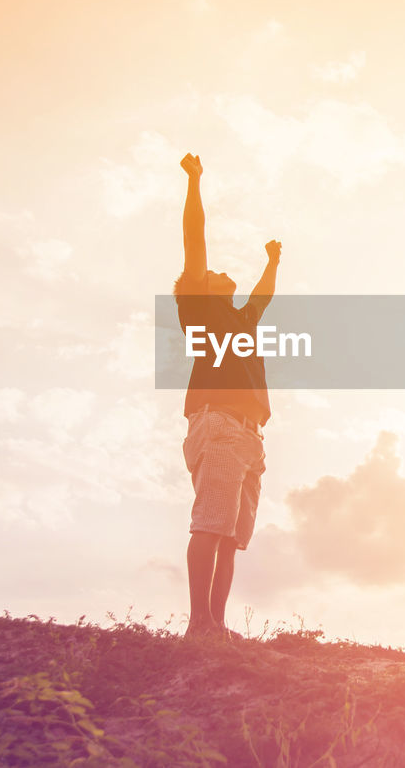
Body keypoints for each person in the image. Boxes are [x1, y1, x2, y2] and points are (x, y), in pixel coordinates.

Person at [174, 152, 281, 639]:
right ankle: (200, 625)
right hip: (217, 426)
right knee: (210, 525)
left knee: (230, 536)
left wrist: (272, 262)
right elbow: (194, 240)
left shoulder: (238, 321)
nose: (219, 272)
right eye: (213, 272)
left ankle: (215, 626)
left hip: (249, 437)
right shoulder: (199, 308)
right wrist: (195, 182)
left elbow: (261, 297)